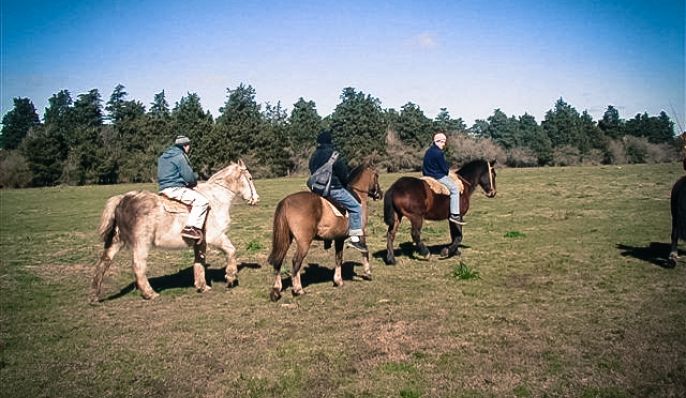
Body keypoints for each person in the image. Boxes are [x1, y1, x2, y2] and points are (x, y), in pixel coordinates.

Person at [309, 130, 368, 252]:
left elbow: (312, 170)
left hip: (316, 189)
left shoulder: (313, 156)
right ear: (330, 142)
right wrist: (344, 184)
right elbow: (343, 175)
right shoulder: (334, 155)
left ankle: (327, 239)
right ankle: (355, 238)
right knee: (356, 207)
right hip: (333, 188)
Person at [157, 135, 209, 241]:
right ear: (185, 146)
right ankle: (190, 228)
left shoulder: (163, 156)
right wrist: (194, 181)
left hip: (163, 188)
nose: (189, 148)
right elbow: (188, 177)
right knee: (202, 201)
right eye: (188, 145)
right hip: (175, 188)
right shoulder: (180, 156)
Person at [422, 132, 465, 225]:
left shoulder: (428, 151)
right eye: (443, 142)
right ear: (438, 141)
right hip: (437, 176)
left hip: (426, 175)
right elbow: (444, 169)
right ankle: (455, 215)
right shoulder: (439, 153)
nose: (444, 144)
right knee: (454, 189)